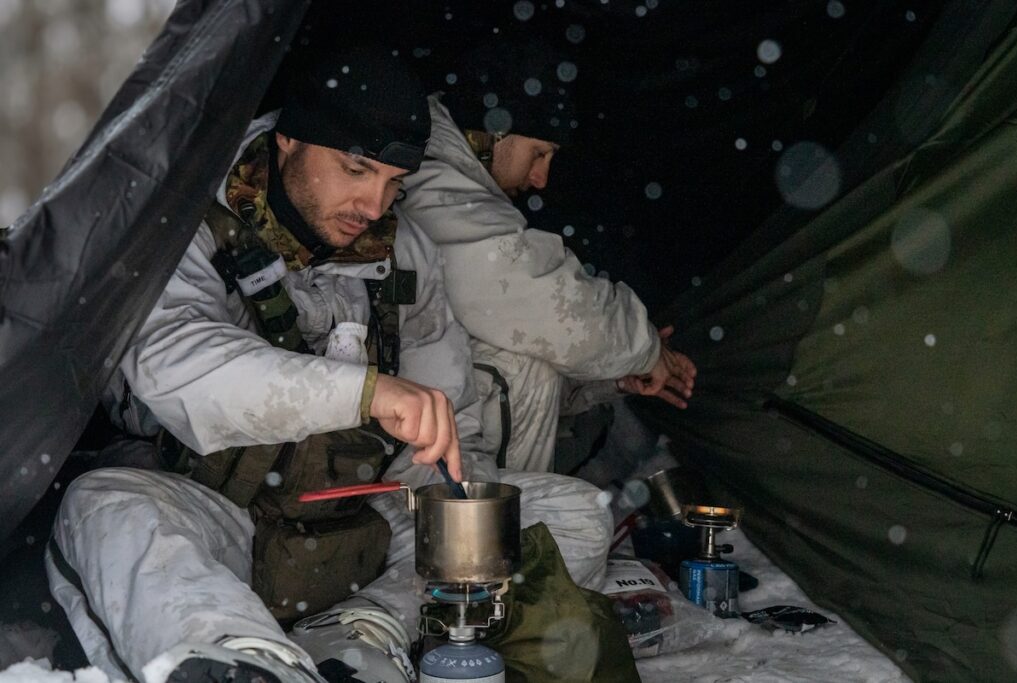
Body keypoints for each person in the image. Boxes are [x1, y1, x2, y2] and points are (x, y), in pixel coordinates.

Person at [45, 49, 612, 683]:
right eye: (356, 169)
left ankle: (359, 634)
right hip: (216, 512)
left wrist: (457, 503)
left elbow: (453, 424)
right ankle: (243, 659)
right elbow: (176, 365)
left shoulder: (405, 253)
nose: (373, 204)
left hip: (358, 526)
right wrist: (366, 393)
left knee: (574, 514)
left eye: (394, 182)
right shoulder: (184, 220)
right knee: (104, 506)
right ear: (289, 140)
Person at [398, 39, 697, 473]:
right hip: (398, 433)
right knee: (522, 368)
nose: (540, 179)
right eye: (538, 153)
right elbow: (533, 294)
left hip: (410, 409)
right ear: (496, 130)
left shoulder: (450, 169)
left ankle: (506, 509)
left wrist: (611, 377)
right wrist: (644, 347)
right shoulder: (431, 174)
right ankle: (491, 513)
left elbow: (519, 331)